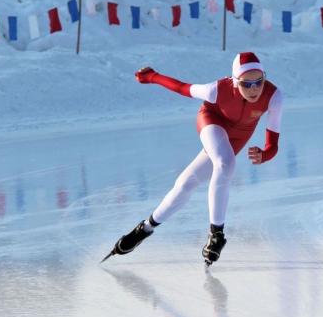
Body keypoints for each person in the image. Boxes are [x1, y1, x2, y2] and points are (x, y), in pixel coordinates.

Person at [101, 52, 284, 266]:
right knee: (225, 163)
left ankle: (145, 228)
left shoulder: (274, 96)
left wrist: (265, 154)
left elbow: (273, 144)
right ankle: (217, 233)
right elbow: (182, 87)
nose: (254, 89)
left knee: (186, 184)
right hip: (212, 122)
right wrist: (152, 76)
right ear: (235, 82)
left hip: (236, 139)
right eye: (247, 83)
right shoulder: (216, 90)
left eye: (258, 81)